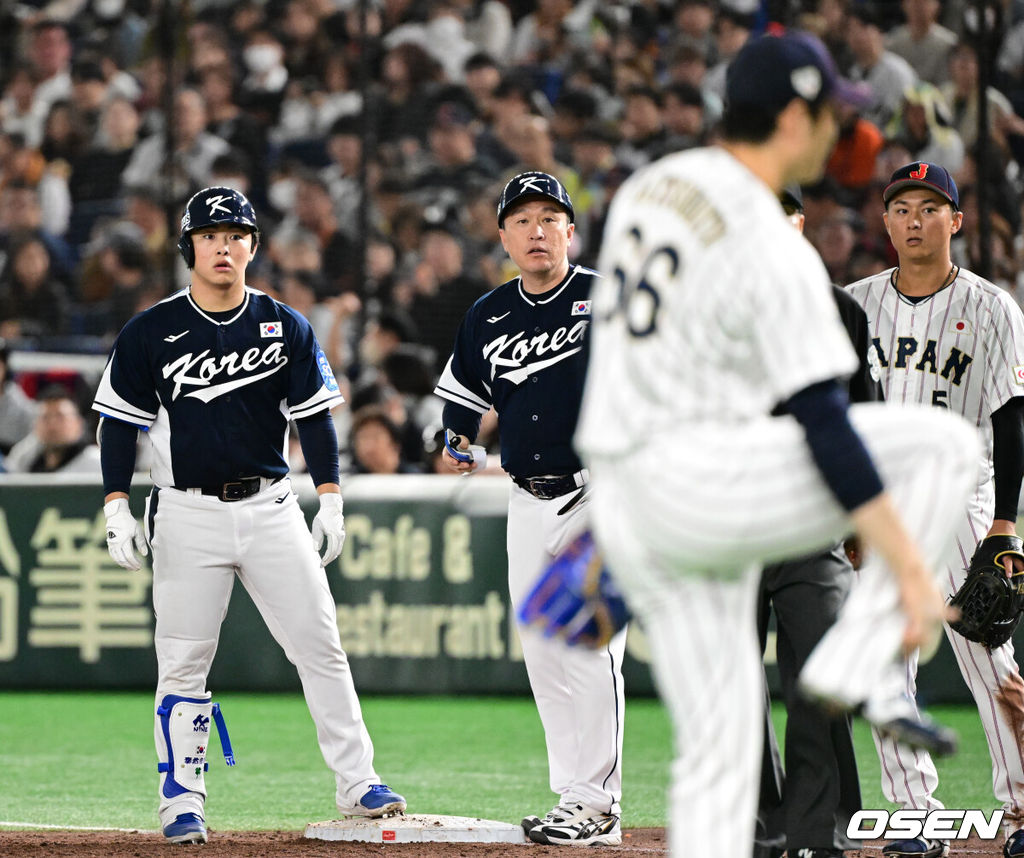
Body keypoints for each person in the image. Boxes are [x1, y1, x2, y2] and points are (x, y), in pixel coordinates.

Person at [571, 32, 980, 858]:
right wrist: (906, 565)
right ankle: (844, 665)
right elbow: (828, 423)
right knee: (945, 448)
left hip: (647, 497)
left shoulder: (652, 190)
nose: (841, 129)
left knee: (718, 759)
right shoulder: (769, 247)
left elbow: (612, 369)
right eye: (832, 112)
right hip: (712, 487)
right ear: (794, 114)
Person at [91, 186, 406, 845]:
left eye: (236, 234)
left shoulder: (283, 323)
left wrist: (332, 494)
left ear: (253, 246)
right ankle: (181, 800)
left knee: (320, 645)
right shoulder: (151, 331)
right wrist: (116, 502)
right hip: (185, 513)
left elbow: (315, 416)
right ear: (189, 249)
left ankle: (359, 782)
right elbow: (119, 424)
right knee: (182, 663)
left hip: (271, 505)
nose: (224, 245)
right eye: (210, 235)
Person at [435, 171, 626, 847]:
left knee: (585, 641)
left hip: (604, 490)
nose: (536, 230)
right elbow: (461, 399)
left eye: (550, 218)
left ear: (571, 231)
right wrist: (454, 436)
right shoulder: (488, 314)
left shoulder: (609, 299)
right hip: (526, 497)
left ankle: (597, 798)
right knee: (544, 651)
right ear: (503, 236)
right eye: (522, 220)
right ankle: (575, 797)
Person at [846, 162, 1024, 858]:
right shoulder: (855, 305)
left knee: (988, 655)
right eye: (902, 208)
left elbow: (1012, 419)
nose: (915, 220)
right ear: (886, 223)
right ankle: (915, 817)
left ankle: (1020, 810)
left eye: (930, 207)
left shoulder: (992, 307)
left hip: (962, 493)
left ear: (956, 221)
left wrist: (1005, 523)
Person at [755, 186, 881, 858]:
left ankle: (823, 827)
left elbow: (865, 417)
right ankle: (754, 827)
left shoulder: (840, 312)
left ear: (798, 224)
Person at [5, 384, 101, 474]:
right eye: (45, 417)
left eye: (60, 417)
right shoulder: (23, 460)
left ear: (78, 423)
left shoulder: (98, 463)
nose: (52, 425)